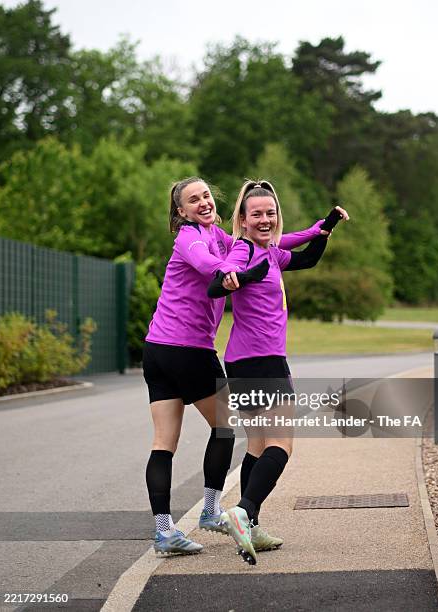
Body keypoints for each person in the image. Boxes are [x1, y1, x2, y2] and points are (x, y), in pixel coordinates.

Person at [143, 176, 329, 555]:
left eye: (206, 195)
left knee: (165, 442)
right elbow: (208, 264)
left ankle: (165, 531)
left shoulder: (224, 238)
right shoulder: (190, 236)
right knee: (226, 428)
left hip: (156, 347)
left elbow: (271, 243)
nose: (203, 202)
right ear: (180, 211)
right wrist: (238, 275)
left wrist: (314, 231)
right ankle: (215, 512)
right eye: (193, 200)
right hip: (187, 348)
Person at [207, 180, 348, 564]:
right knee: (282, 444)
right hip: (262, 361)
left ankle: (248, 523)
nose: (265, 219)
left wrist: (327, 227)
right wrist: (228, 279)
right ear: (243, 219)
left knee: (256, 445)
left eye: (271, 212)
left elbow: (307, 258)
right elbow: (218, 284)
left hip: (242, 361)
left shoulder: (271, 254)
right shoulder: (243, 249)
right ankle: (244, 510)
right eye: (257, 214)